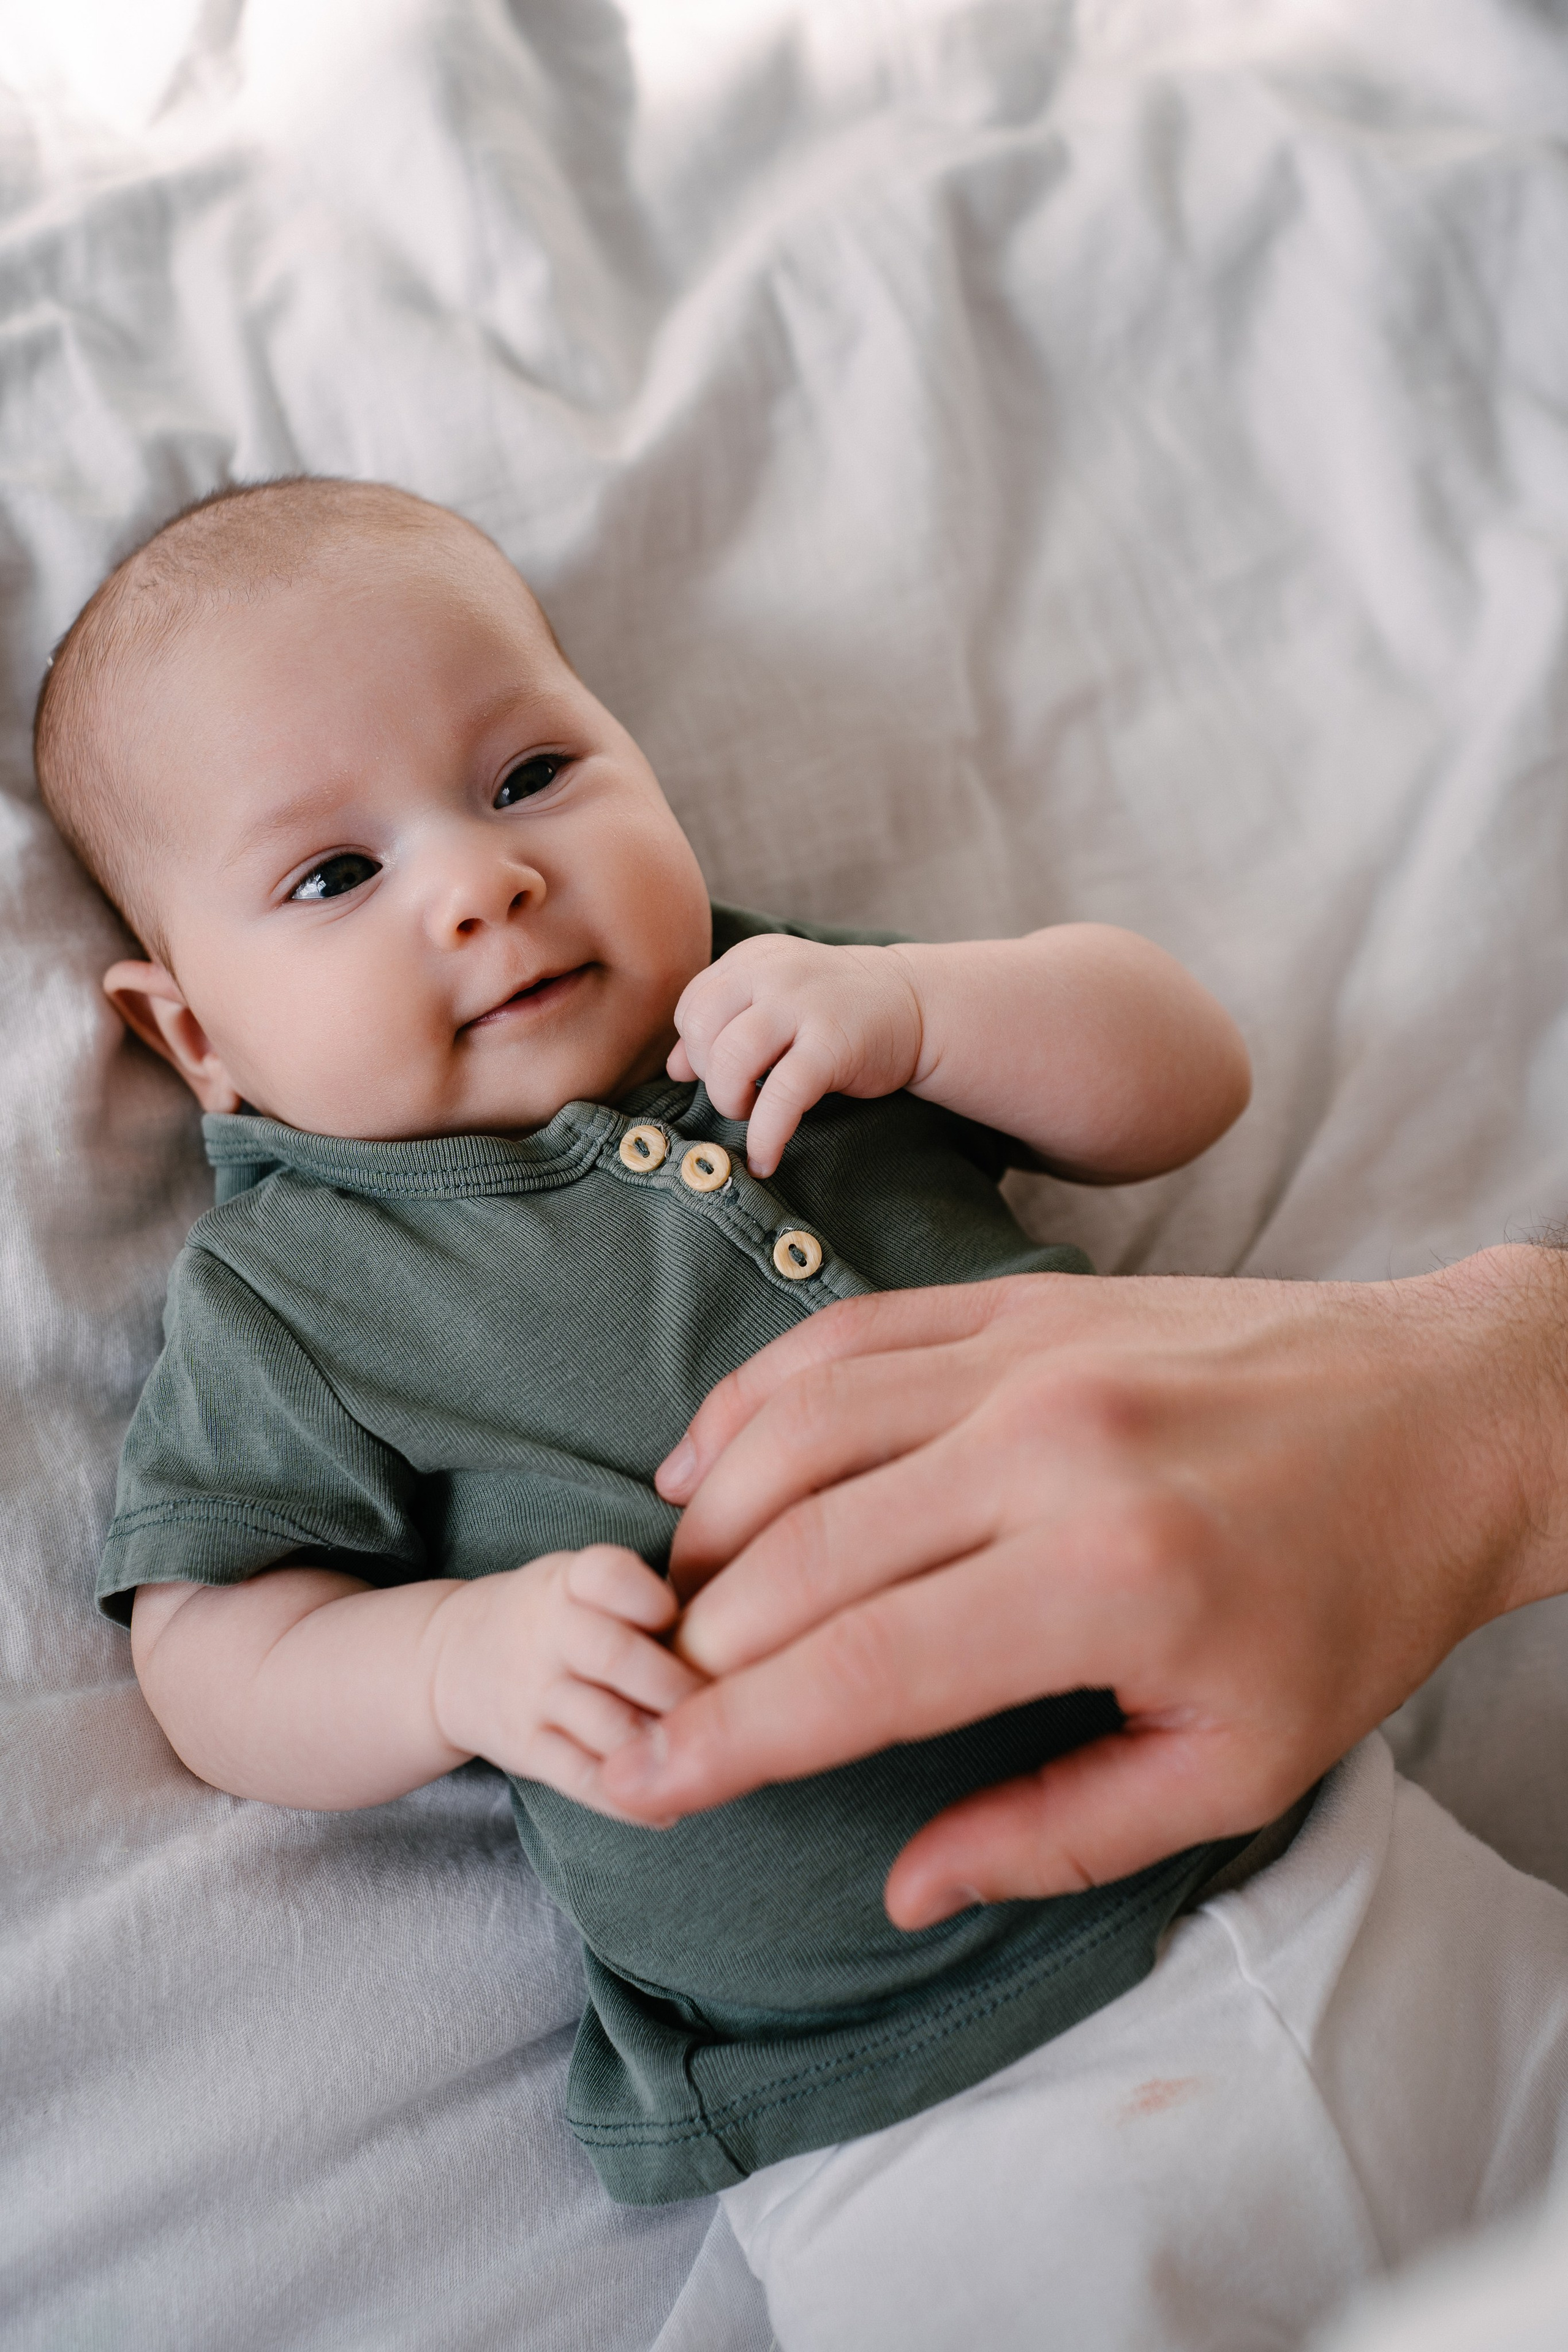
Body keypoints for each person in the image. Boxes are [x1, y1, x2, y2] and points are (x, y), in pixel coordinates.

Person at [41, 475, 1568, 2352]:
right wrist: (452, 1661)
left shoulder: (781, 1014)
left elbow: (1182, 1079)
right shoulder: (301, 1290)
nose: (479, 882)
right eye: (333, 877)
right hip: (917, 2109)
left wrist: (922, 1007)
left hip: (1343, 1870)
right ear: (193, 1033)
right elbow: (209, 1652)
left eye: (531, 775)